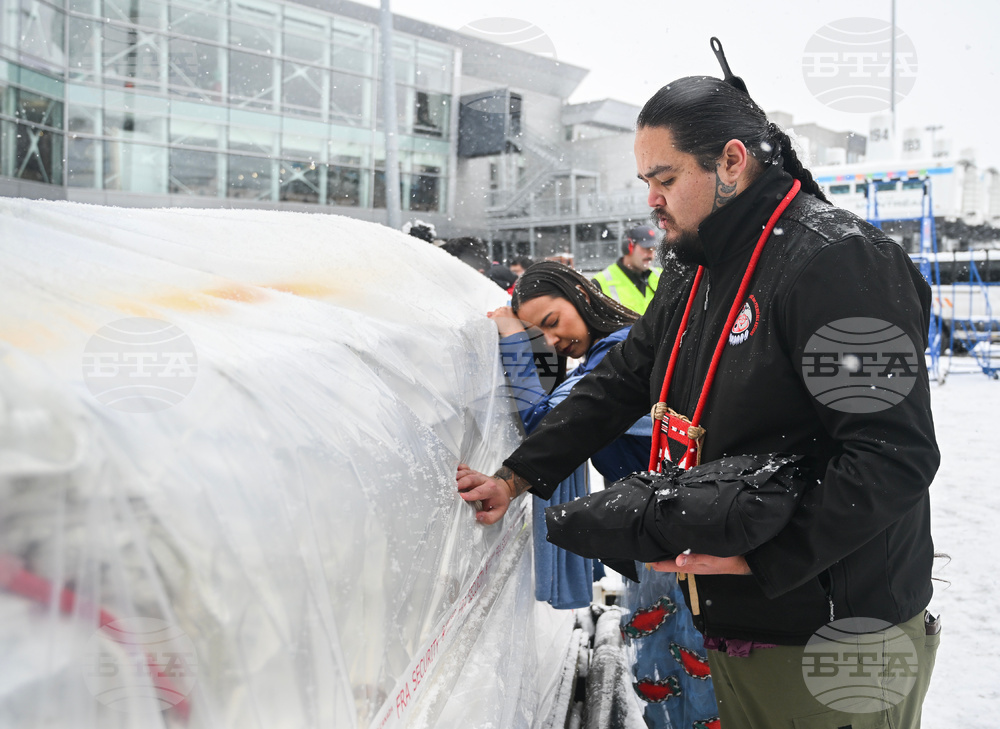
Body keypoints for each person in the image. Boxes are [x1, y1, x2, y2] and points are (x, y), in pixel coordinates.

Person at [457, 75, 940, 728]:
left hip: (823, 630)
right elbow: (626, 374)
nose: (652, 202)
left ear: (732, 162)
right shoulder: (694, 260)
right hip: (726, 612)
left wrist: (760, 557)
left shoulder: (840, 262)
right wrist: (518, 474)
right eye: (645, 184)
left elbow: (892, 455)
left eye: (665, 178)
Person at [480, 261, 716, 728]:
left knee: (682, 666)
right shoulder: (607, 352)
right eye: (539, 335)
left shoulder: (620, 353)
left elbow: (548, 426)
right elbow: (557, 405)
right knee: (675, 665)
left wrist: (513, 337)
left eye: (552, 323)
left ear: (581, 297)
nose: (552, 341)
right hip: (664, 525)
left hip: (678, 529)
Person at [592, 225, 661, 314]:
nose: (651, 255)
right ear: (629, 247)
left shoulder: (662, 276)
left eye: (653, 249)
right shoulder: (600, 283)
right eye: (646, 248)